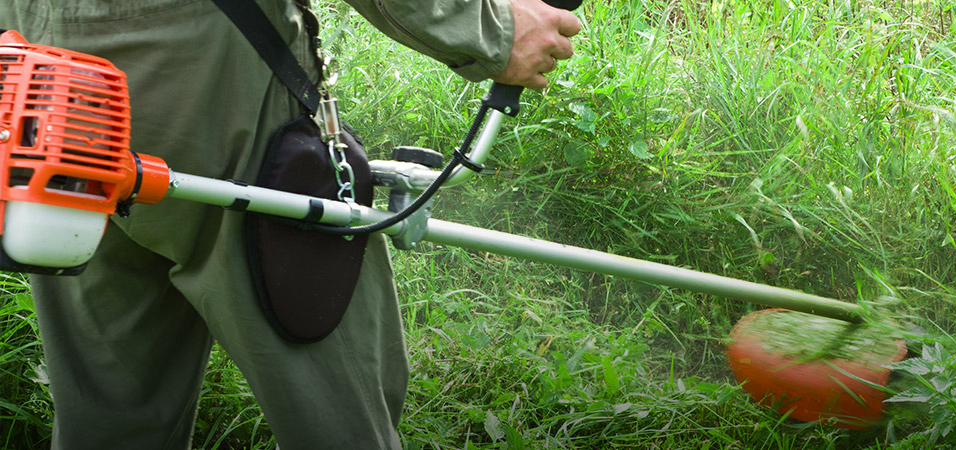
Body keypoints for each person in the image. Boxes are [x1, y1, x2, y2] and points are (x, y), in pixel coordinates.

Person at [0, 0, 581, 448]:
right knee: (338, 402)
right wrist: (495, 33)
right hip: (204, 70)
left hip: (44, 78)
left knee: (111, 403)